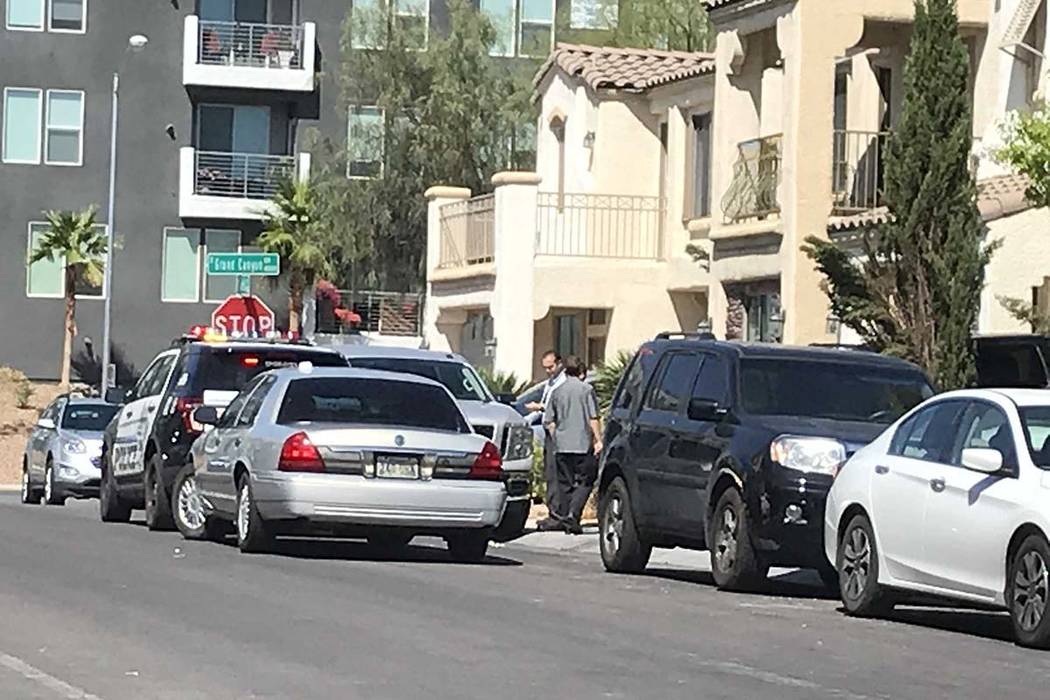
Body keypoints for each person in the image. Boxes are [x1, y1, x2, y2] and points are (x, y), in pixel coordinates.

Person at [541, 355, 602, 534]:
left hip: (562, 445)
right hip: (582, 444)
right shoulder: (586, 390)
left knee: (565, 484)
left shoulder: (557, 392)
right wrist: (598, 439)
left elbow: (549, 420)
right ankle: (573, 515)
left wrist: (557, 436)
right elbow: (593, 417)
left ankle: (567, 516)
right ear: (581, 372)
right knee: (586, 480)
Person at [526, 351, 565, 521]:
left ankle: (557, 512)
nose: (548, 371)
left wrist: (540, 407)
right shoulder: (551, 382)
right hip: (548, 430)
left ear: (559, 363)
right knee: (549, 472)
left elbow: (554, 407)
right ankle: (553, 510)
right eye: (546, 368)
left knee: (556, 473)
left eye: (551, 367)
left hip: (558, 431)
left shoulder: (562, 382)